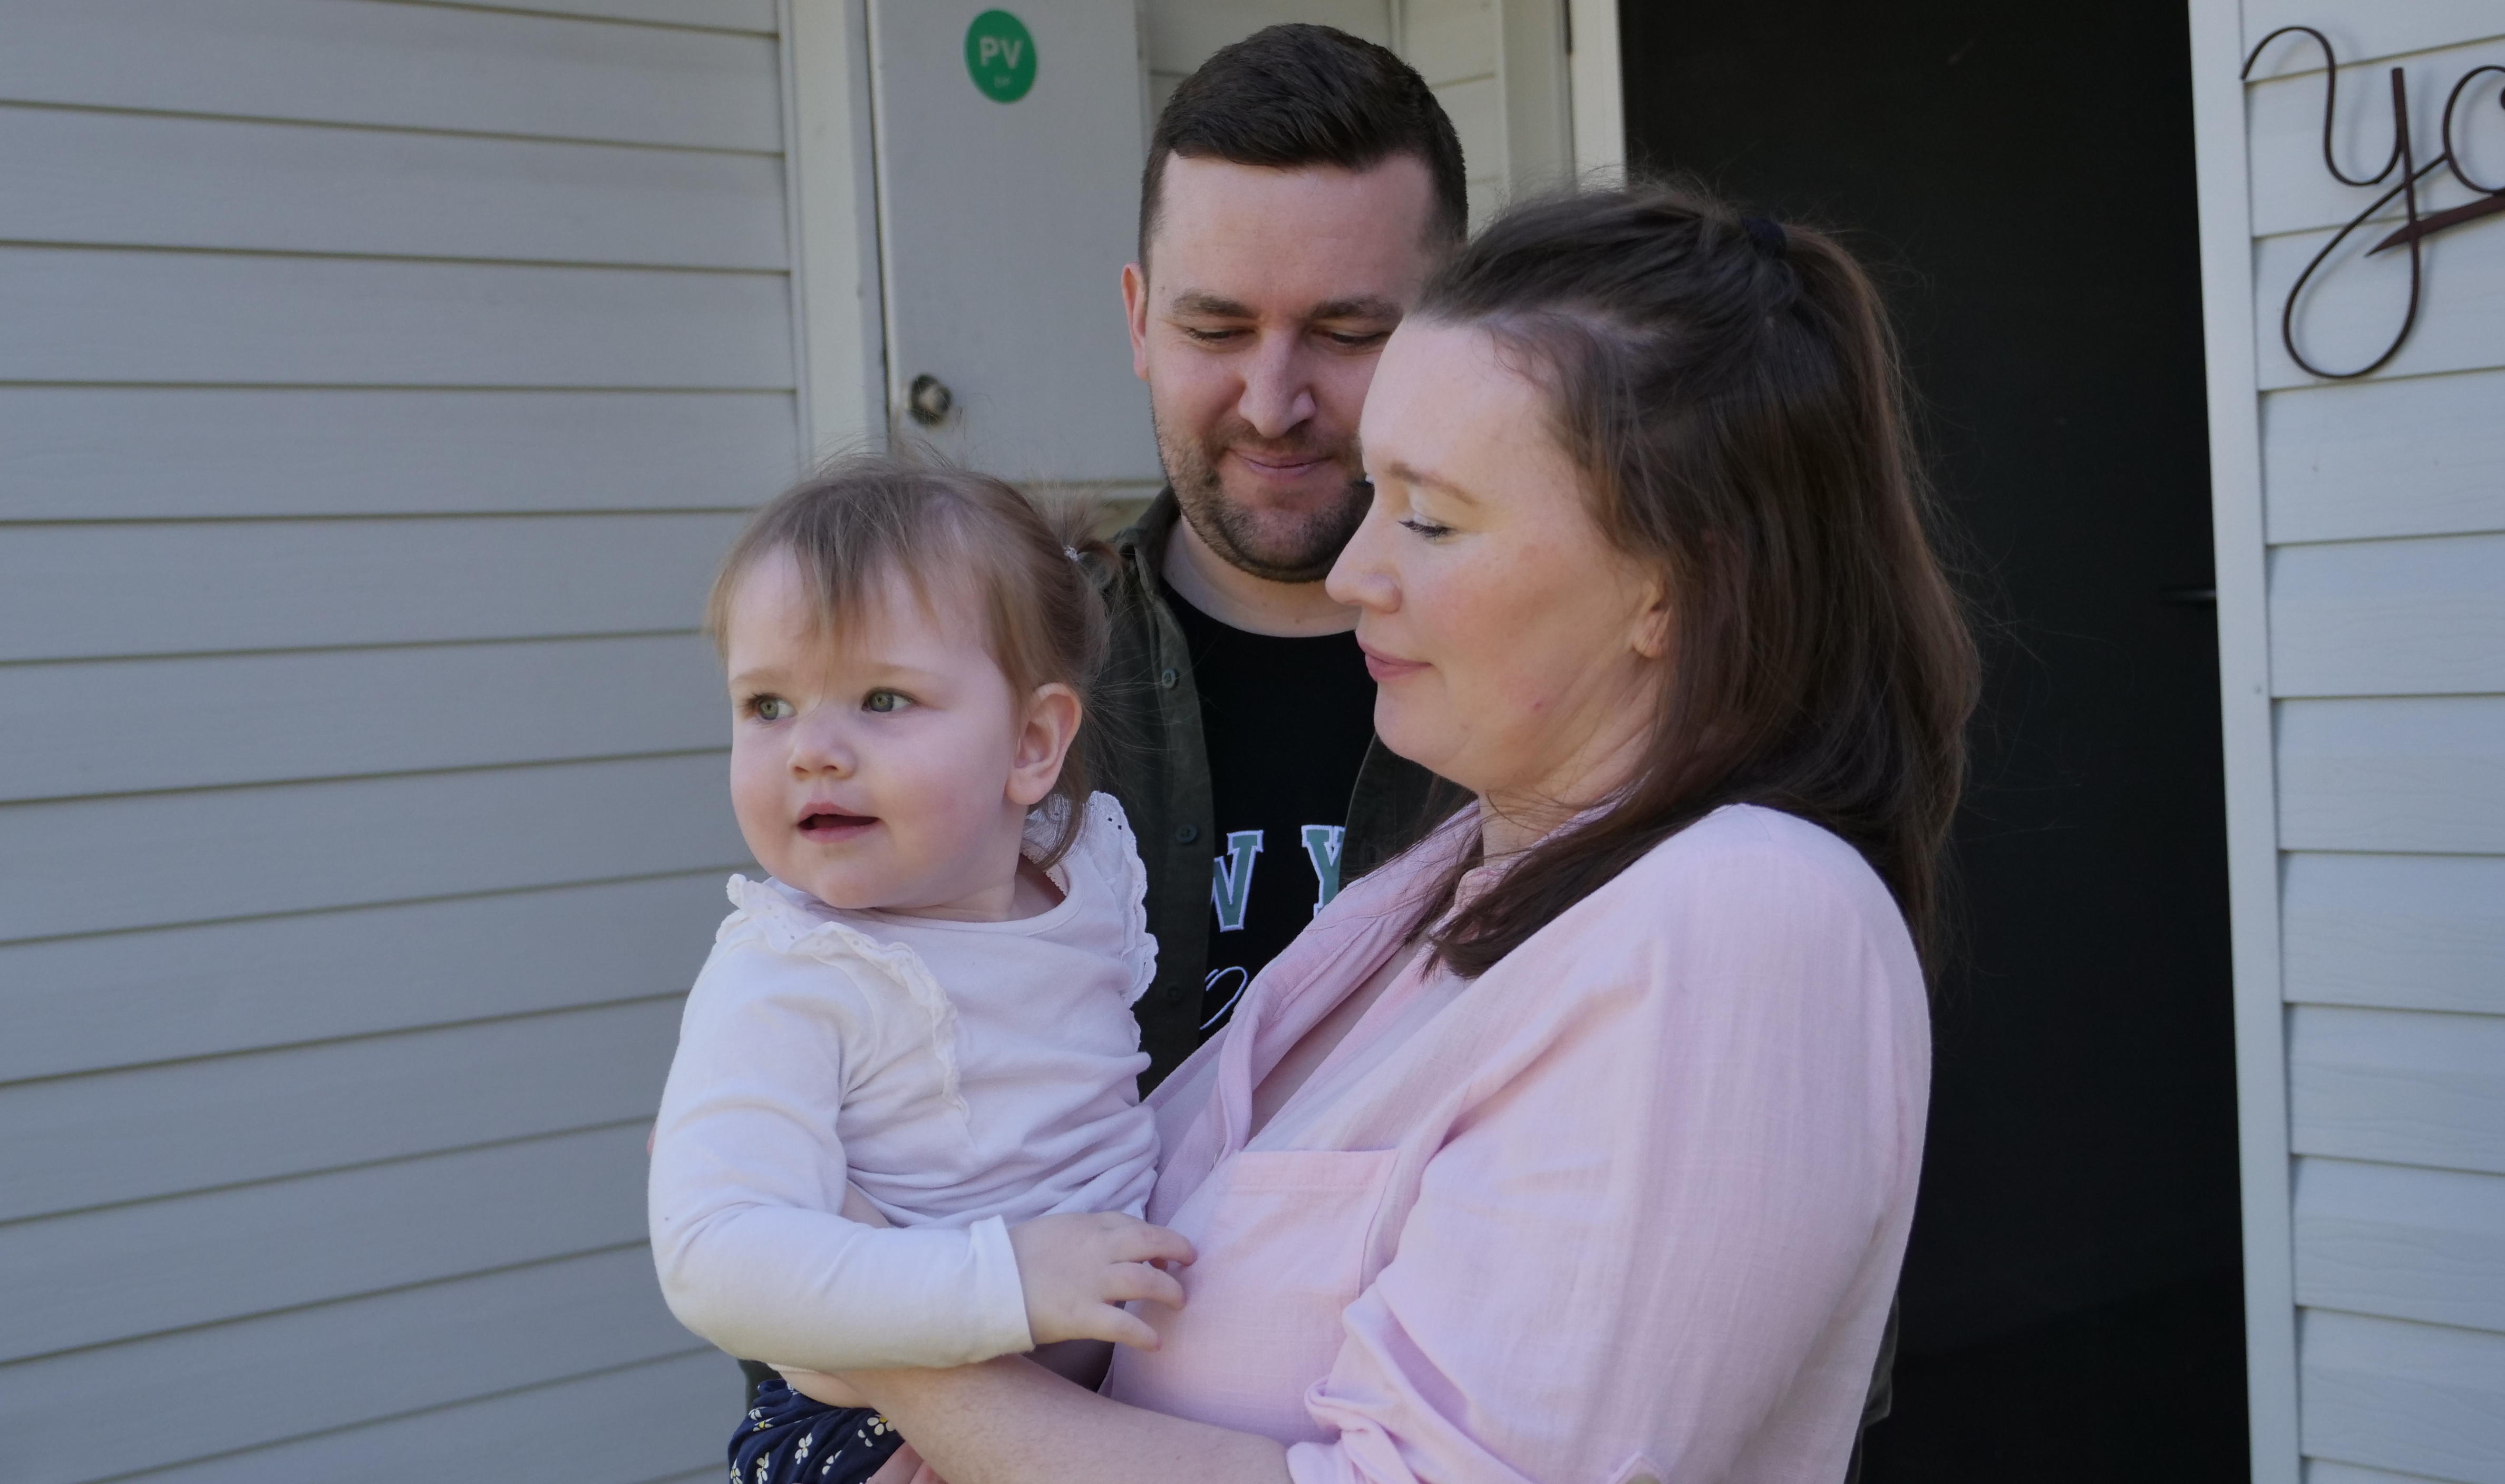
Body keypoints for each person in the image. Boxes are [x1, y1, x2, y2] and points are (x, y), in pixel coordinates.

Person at [838, 182, 1980, 1483]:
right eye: (1375, 495)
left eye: (1430, 518)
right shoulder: (1456, 879)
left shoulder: (1744, 924)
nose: (1353, 572)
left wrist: (900, 1359)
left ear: (1675, 582)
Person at [648, 462, 1201, 1483]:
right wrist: (1006, 1280)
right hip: (874, 1429)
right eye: (767, 704)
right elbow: (711, 1254)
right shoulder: (793, 972)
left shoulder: (1086, 871)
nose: (812, 750)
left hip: (1104, 1393)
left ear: (1032, 743)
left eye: (883, 697)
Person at [1092, 25, 1469, 1083]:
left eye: (1349, 334)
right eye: (1214, 330)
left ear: (1460, 328)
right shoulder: (1009, 671)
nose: (1272, 406)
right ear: (1138, 321)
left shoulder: (1562, 680)